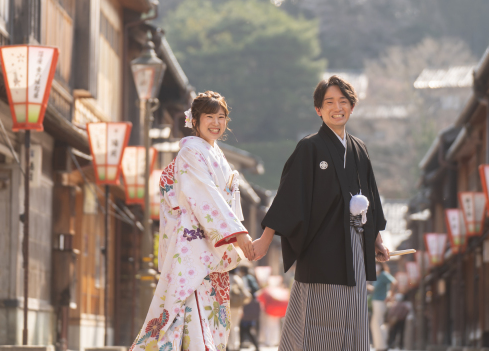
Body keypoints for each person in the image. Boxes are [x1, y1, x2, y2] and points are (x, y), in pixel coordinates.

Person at [252, 75, 391, 351]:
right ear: (318, 109)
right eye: (329, 102)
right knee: (319, 319)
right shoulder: (310, 147)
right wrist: (265, 240)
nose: (336, 107)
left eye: (343, 101)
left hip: (354, 247)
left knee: (353, 316)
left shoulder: (359, 150)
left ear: (352, 107)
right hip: (321, 247)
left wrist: (376, 242)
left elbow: (370, 200)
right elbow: (289, 196)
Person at [130, 91, 255, 351]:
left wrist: (233, 233)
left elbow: (224, 198)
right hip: (194, 247)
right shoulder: (191, 152)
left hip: (213, 247)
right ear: (195, 120)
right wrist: (236, 232)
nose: (216, 123)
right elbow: (205, 194)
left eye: (221, 117)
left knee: (208, 320)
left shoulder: (215, 154)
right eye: (209, 117)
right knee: (191, 318)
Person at [371, 262, 396, 350]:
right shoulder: (377, 276)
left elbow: (393, 282)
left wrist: (390, 295)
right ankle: (380, 345)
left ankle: (381, 346)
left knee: (377, 323)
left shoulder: (384, 274)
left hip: (380, 302)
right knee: (377, 323)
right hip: (376, 301)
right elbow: (377, 289)